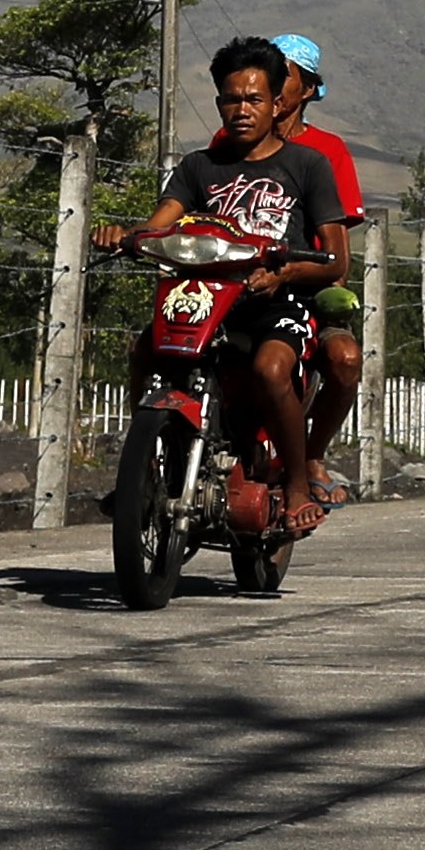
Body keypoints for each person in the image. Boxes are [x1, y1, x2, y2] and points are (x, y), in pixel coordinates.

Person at [99, 38, 347, 535]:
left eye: (254, 99)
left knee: (272, 367)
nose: (241, 110)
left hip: (278, 302)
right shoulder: (198, 167)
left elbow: (336, 261)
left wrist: (286, 273)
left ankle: (297, 484)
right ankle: (142, 471)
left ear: (278, 103)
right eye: (231, 99)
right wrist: (127, 237)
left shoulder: (308, 166)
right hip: (209, 299)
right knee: (145, 349)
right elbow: (160, 224)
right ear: (218, 103)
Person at [260, 35, 369, 470]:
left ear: (306, 90)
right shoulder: (230, 141)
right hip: (238, 284)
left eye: (280, 77)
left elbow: (336, 251)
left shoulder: (329, 152)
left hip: (306, 290)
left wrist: (311, 278)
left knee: (344, 360)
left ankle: (311, 456)